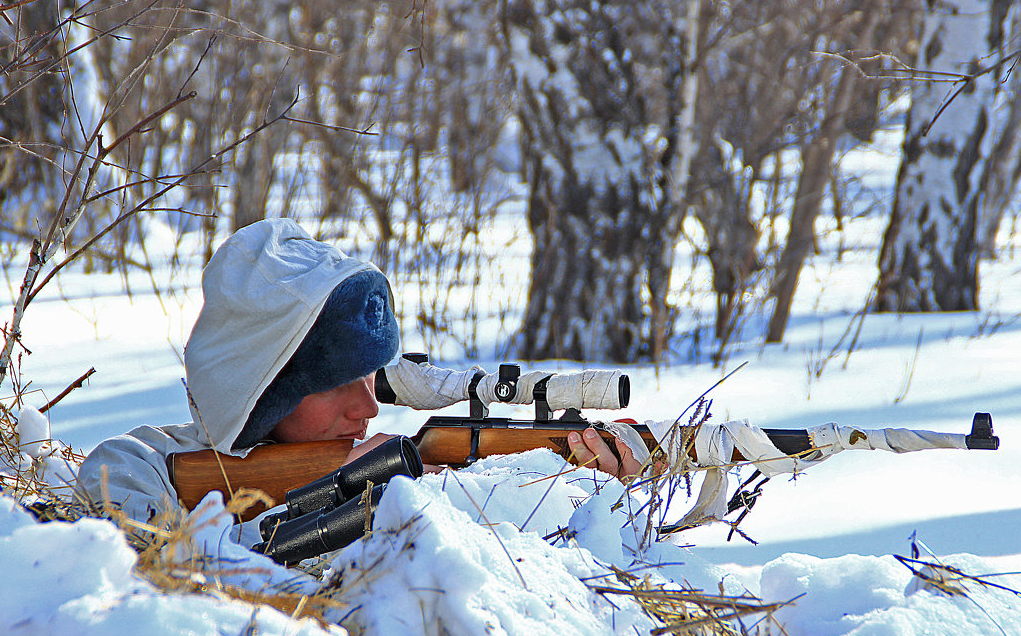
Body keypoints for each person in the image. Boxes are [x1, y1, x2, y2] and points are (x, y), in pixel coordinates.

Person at [74, 218, 641, 526]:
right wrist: (333, 492)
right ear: (259, 391)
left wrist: (587, 496)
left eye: (369, 375)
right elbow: (147, 568)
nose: (368, 408)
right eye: (333, 384)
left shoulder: (420, 474)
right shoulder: (142, 467)